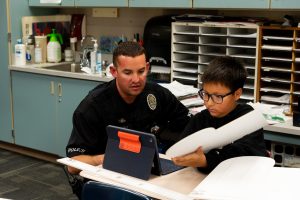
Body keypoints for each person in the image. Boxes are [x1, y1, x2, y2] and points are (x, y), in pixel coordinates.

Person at [65, 41, 191, 198]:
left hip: (148, 173)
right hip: (108, 176)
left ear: (147, 67)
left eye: (141, 71)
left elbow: (188, 123)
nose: (136, 79)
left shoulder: (157, 94)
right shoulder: (92, 107)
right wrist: (109, 157)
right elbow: (73, 165)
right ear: (114, 71)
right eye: (128, 73)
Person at [172, 56, 268, 173]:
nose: (209, 102)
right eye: (206, 94)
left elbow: (244, 158)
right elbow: (182, 149)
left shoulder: (248, 119)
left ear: (237, 94)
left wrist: (205, 161)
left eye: (218, 97)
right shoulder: (200, 119)